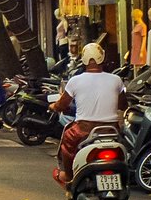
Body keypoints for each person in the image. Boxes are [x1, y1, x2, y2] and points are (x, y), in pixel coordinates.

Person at [51, 43, 126, 186]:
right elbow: (123, 105)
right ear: (102, 58)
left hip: (83, 131)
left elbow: (62, 105)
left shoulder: (75, 81)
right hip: (112, 130)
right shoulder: (116, 80)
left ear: (83, 60)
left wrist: (53, 106)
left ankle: (68, 175)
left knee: (67, 143)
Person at [131, 8, 147, 74]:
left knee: (141, 67)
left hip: (139, 49)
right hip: (135, 49)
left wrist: (142, 51)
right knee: (135, 67)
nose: (133, 18)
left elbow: (144, 39)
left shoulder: (143, 26)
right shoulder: (136, 26)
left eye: (133, 16)